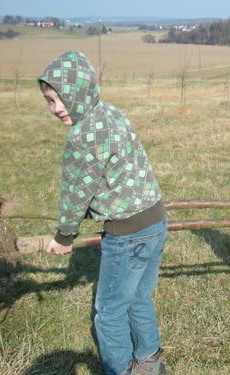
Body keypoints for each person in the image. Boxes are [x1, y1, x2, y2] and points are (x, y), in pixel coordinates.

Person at [38, 51, 167, 375]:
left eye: (61, 98)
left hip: (127, 234)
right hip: (156, 220)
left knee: (109, 310)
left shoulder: (84, 134)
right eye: (50, 101)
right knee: (139, 296)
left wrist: (64, 236)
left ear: (81, 91)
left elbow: (76, 191)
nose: (56, 108)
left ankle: (121, 370)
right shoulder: (111, 113)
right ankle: (150, 360)